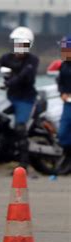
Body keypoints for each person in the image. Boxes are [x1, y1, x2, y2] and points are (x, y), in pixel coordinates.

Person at [0, 27, 39, 170]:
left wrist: (7, 83)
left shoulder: (32, 60)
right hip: (10, 98)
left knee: (20, 127)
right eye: (17, 43)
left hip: (25, 99)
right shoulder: (6, 58)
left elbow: (24, 77)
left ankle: (23, 163)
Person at [56, 35, 71, 174]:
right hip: (68, 103)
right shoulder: (63, 65)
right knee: (62, 132)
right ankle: (67, 155)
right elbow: (60, 82)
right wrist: (62, 93)